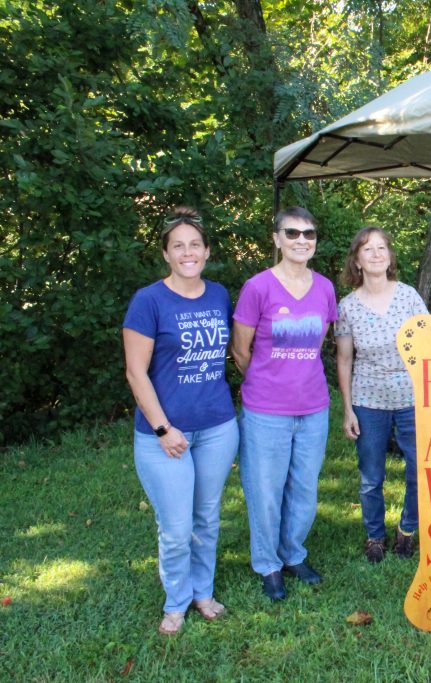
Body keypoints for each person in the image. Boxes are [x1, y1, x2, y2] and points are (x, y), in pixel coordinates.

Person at [123, 206, 238, 636]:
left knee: (206, 518)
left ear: (206, 251)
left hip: (218, 427)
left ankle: (202, 593)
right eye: (178, 246)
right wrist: (163, 429)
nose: (187, 252)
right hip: (164, 434)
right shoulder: (148, 301)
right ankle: (176, 602)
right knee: (175, 527)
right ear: (167, 255)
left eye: (195, 244)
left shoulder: (220, 295)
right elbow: (136, 372)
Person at [232, 206, 338, 601]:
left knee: (304, 489)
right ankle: (268, 564)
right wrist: (267, 381)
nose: (301, 240)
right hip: (265, 410)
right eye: (291, 233)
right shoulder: (257, 287)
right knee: (264, 489)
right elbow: (241, 350)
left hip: (313, 407)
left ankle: (293, 554)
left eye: (308, 234)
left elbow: (318, 345)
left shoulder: (325, 288)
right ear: (276, 238)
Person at [336, 226, 427, 563]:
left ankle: (407, 529)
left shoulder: (408, 296)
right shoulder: (347, 307)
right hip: (368, 400)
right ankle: (375, 536)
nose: (376, 254)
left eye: (381, 248)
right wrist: (348, 409)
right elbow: (344, 359)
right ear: (357, 260)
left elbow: (430, 343)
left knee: (419, 469)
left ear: (389, 256)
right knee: (371, 476)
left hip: (412, 397)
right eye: (367, 249)